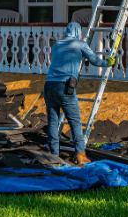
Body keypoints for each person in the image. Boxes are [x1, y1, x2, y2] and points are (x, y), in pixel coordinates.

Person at [42, 22, 116, 165]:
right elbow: (94, 61)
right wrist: (108, 62)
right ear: (77, 32)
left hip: (48, 85)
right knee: (75, 122)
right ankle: (80, 155)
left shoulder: (57, 44)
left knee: (53, 121)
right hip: (64, 86)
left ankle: (54, 155)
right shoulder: (80, 44)